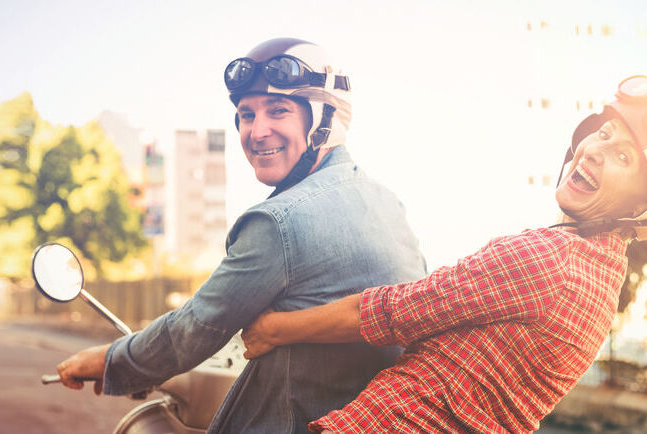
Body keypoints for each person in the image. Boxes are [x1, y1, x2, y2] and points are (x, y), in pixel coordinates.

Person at [241, 75, 647, 432]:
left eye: (623, 158)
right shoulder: (598, 280)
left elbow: (393, 313)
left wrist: (273, 330)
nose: (595, 150)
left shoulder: (550, 260)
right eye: (606, 133)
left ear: (645, 207)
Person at [54, 37, 427, 433]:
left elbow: (195, 328)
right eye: (247, 115)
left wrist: (110, 361)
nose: (257, 131)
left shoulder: (278, 222)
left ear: (324, 120)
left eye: (278, 111)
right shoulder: (389, 205)